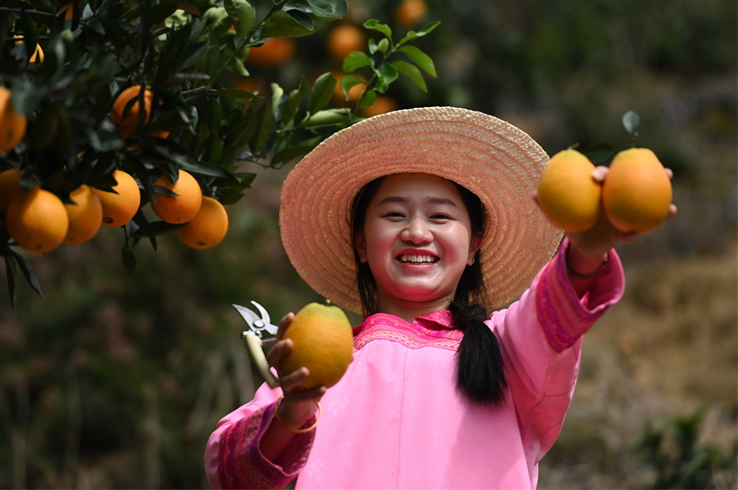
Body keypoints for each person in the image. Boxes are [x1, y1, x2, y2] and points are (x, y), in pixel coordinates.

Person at [204, 107, 675, 489]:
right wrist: (294, 411)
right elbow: (231, 473)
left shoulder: (507, 348)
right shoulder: (316, 366)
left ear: (474, 246)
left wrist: (588, 248)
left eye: (440, 216)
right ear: (361, 243)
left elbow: (555, 313)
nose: (416, 232)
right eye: (393, 214)